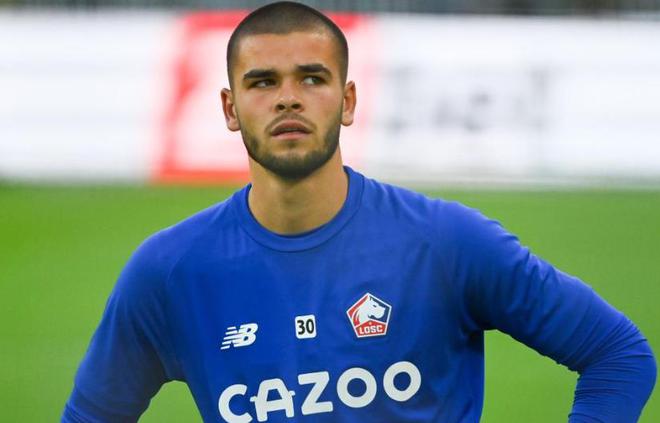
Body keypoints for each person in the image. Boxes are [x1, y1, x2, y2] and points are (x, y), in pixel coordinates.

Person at [62, 2, 656, 422]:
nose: (288, 98)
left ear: (347, 101)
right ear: (229, 108)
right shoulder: (170, 273)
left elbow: (618, 357)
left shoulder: (445, 244)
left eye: (312, 79)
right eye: (263, 82)